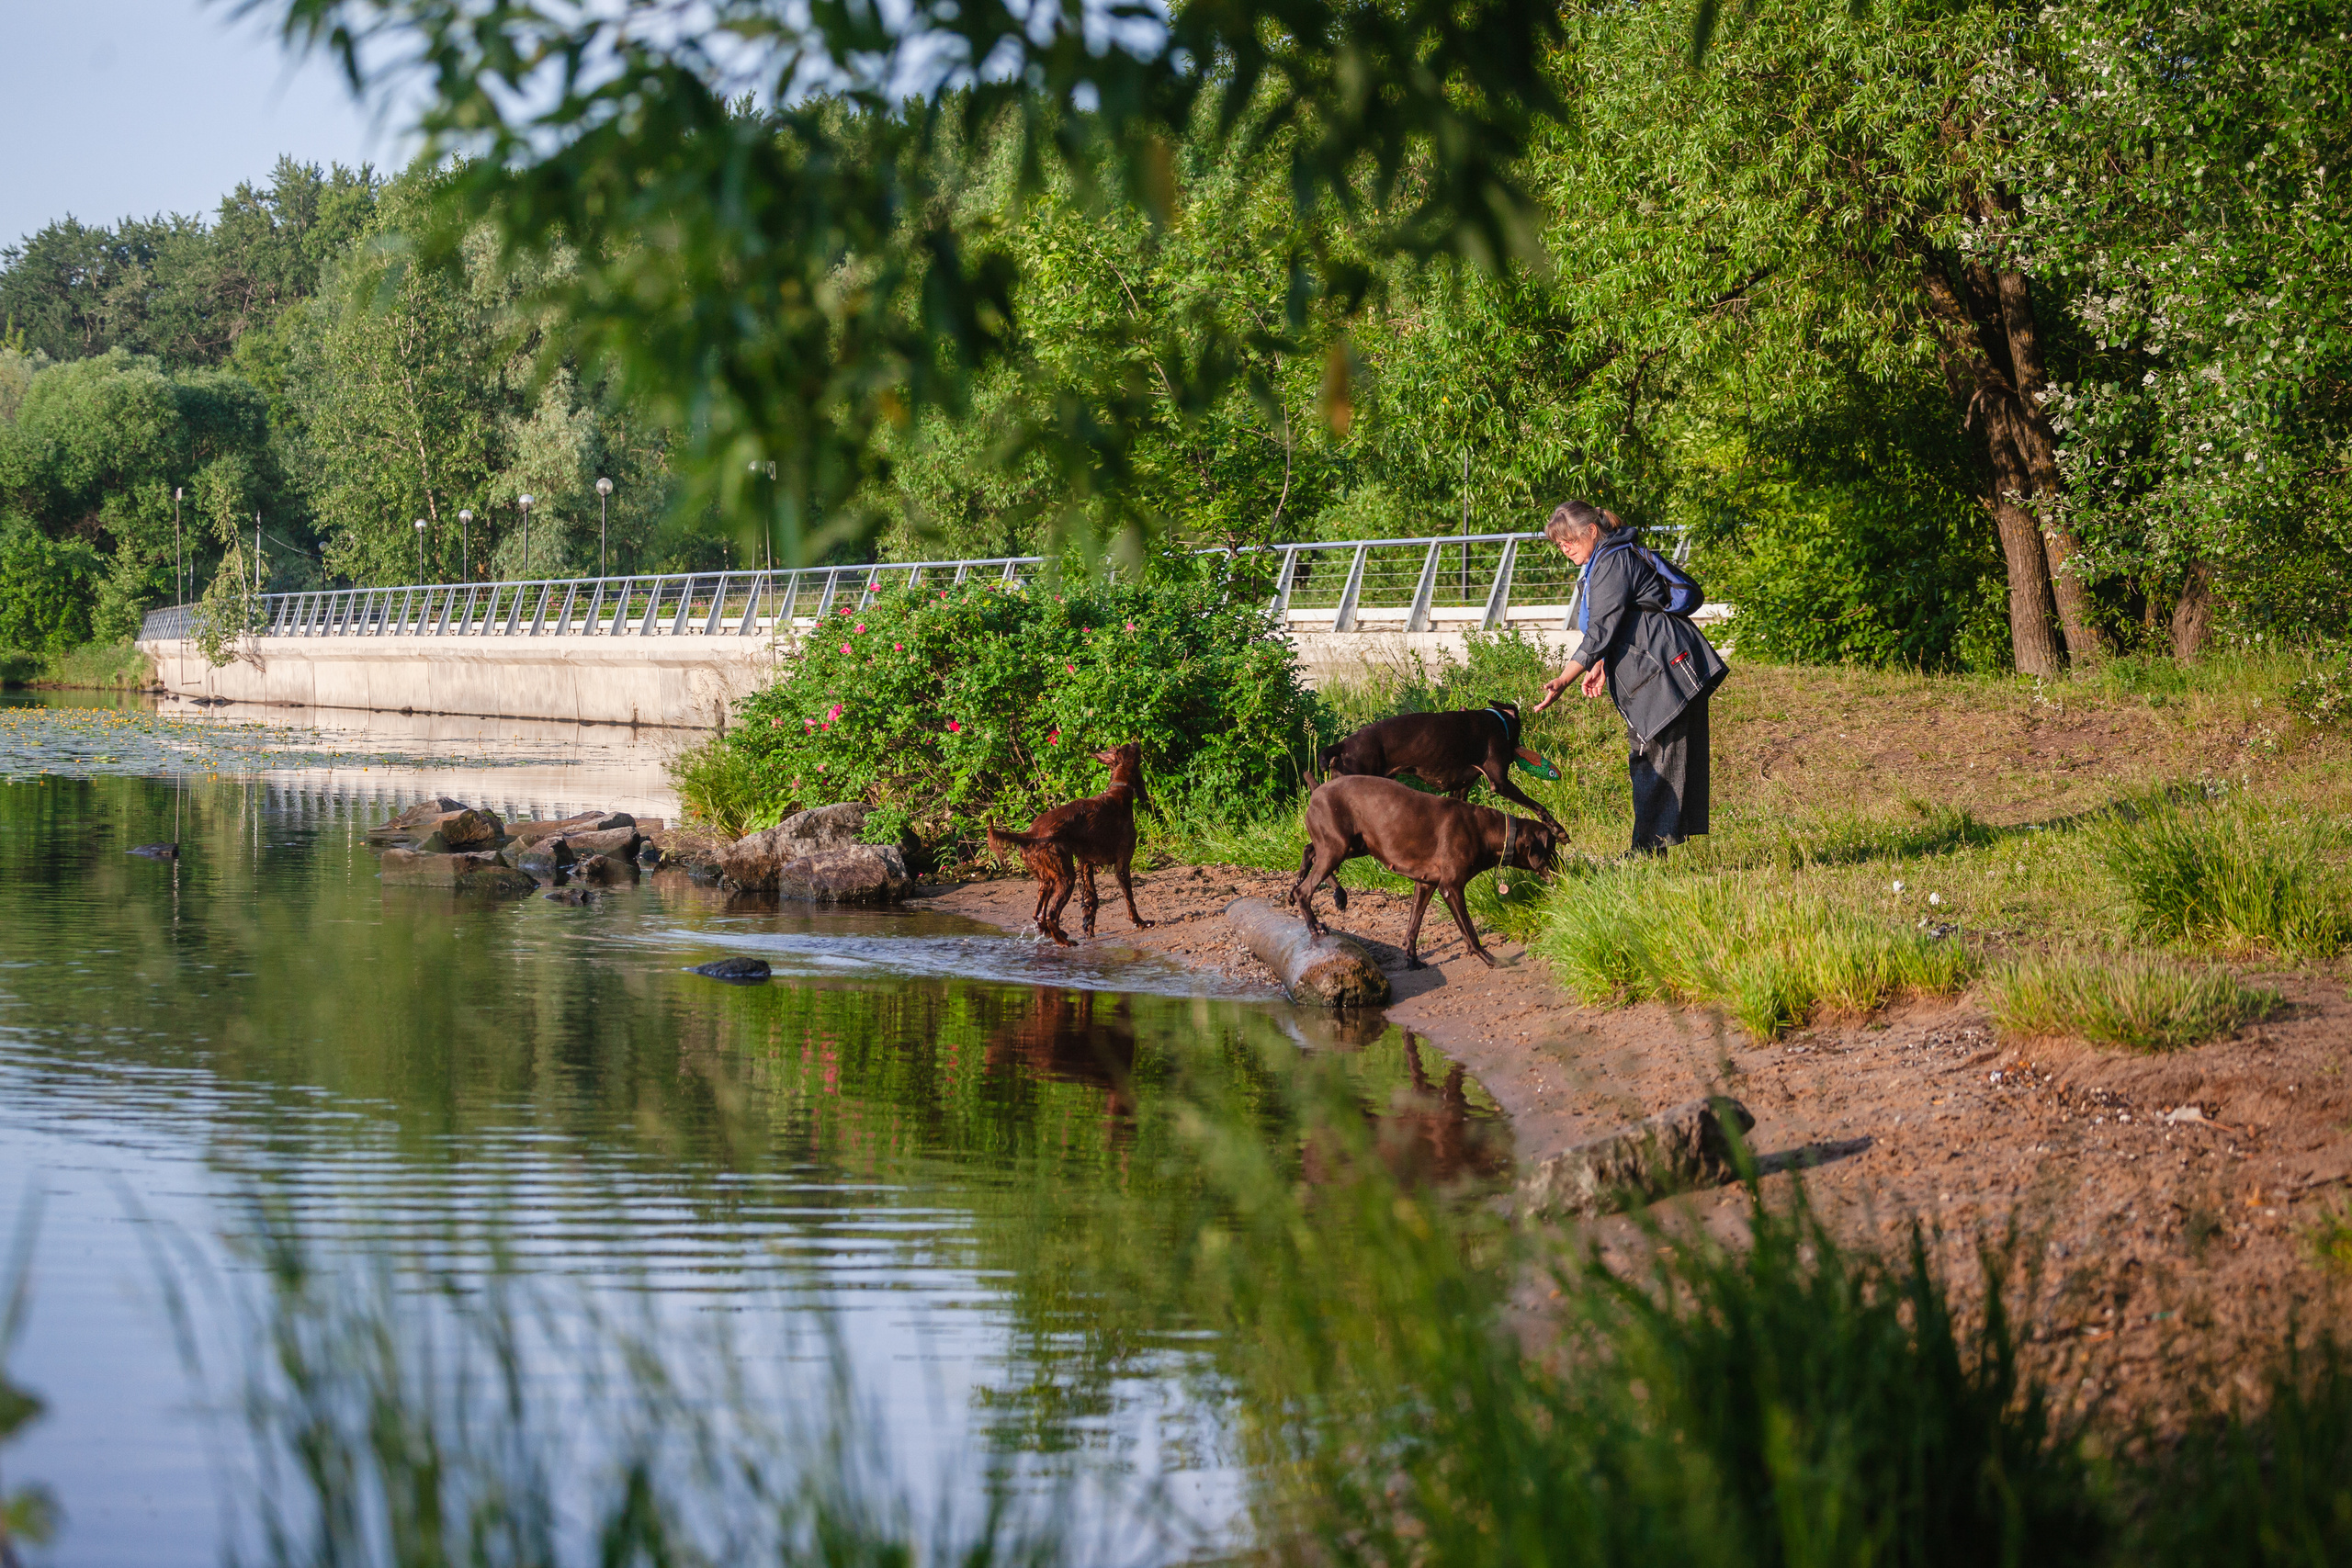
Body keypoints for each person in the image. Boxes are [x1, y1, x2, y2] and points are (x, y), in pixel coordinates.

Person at [1529, 501, 1727, 852]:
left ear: (1592, 531)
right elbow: (1620, 621)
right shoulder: (1604, 560)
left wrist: (1563, 679)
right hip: (1656, 665)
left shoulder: (1611, 560)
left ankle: (1647, 851)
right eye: (1559, 544)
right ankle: (1649, 849)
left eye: (1569, 540)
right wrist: (1601, 663)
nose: (1565, 549)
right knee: (1649, 756)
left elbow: (1601, 629)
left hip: (1664, 666)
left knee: (1655, 758)